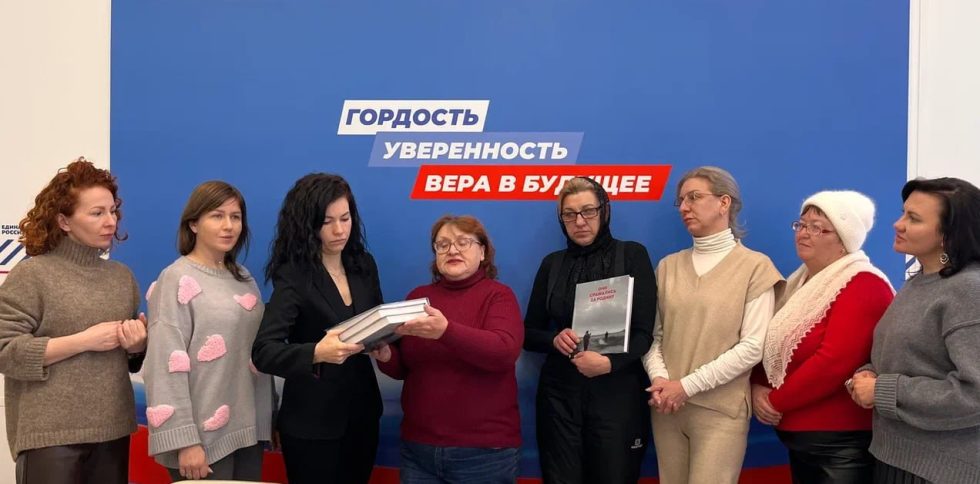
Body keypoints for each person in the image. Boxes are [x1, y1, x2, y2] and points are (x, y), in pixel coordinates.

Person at [0, 158, 146, 484]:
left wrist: (137, 346)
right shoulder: (32, 275)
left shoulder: (122, 277)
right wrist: (84, 341)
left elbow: (129, 359)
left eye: (113, 211)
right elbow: (5, 350)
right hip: (49, 436)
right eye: (97, 213)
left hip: (112, 431)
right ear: (64, 221)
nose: (110, 221)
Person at [642, 166, 782, 484]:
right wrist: (661, 380)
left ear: (724, 202)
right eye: (680, 200)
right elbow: (653, 336)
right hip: (667, 409)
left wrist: (686, 387)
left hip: (720, 411)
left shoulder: (755, 267)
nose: (684, 207)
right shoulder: (667, 267)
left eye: (694, 197)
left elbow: (753, 346)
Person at [750, 190, 894, 483]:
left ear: (844, 241)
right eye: (801, 224)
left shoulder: (864, 283)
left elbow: (834, 362)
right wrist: (757, 386)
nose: (804, 233)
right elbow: (771, 343)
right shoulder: (801, 282)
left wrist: (775, 400)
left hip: (841, 445)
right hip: (803, 440)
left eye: (818, 228)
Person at [252, 173, 383, 484]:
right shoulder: (294, 275)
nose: (339, 230)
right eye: (327, 222)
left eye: (345, 218)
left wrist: (386, 342)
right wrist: (316, 352)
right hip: (311, 423)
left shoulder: (363, 264)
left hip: (363, 415)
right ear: (306, 224)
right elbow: (264, 351)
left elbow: (375, 320)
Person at [524, 177, 656, 484]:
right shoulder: (552, 264)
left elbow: (644, 333)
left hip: (617, 392)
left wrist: (609, 363)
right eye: (569, 214)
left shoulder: (631, 255)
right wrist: (553, 339)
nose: (580, 222)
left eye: (588, 211)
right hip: (560, 398)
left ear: (605, 211)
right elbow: (528, 333)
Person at [373, 215, 523, 483]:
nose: (452, 250)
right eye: (443, 244)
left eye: (463, 242)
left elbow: (504, 352)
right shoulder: (417, 298)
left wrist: (446, 331)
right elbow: (404, 368)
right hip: (418, 451)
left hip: (483, 454)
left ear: (483, 251)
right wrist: (385, 355)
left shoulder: (499, 295)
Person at [849, 177, 980, 484]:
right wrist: (868, 374)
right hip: (895, 457)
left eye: (914, 219)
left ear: (949, 234)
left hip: (939, 470)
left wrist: (881, 390)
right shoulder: (920, 281)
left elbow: (974, 393)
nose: (898, 224)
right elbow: (907, 358)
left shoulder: (968, 291)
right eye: (903, 213)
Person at [143, 181, 275, 481]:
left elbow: (257, 352)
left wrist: (270, 416)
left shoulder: (244, 278)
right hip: (201, 441)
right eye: (217, 216)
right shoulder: (175, 279)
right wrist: (185, 440)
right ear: (193, 224)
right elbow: (164, 366)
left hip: (248, 431)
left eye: (235, 217)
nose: (229, 226)